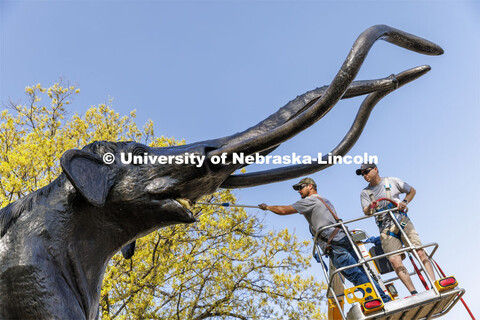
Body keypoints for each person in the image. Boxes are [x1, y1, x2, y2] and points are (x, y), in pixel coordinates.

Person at [258, 177, 391, 303]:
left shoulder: (309, 201)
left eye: (301, 187)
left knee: (354, 273)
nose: (299, 191)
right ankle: (383, 297)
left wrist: (267, 207)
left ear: (310, 187)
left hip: (334, 244)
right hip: (343, 238)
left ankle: (376, 300)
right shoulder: (324, 200)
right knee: (362, 271)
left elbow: (283, 210)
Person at [356, 163, 436, 295]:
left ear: (375, 169)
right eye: (362, 174)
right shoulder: (365, 193)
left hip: (402, 221)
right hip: (386, 229)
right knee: (394, 260)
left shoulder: (392, 181)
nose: (365, 175)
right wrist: (371, 206)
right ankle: (413, 292)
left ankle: (434, 284)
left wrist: (404, 202)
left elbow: (412, 191)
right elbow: (366, 212)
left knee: (419, 251)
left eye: (366, 172)